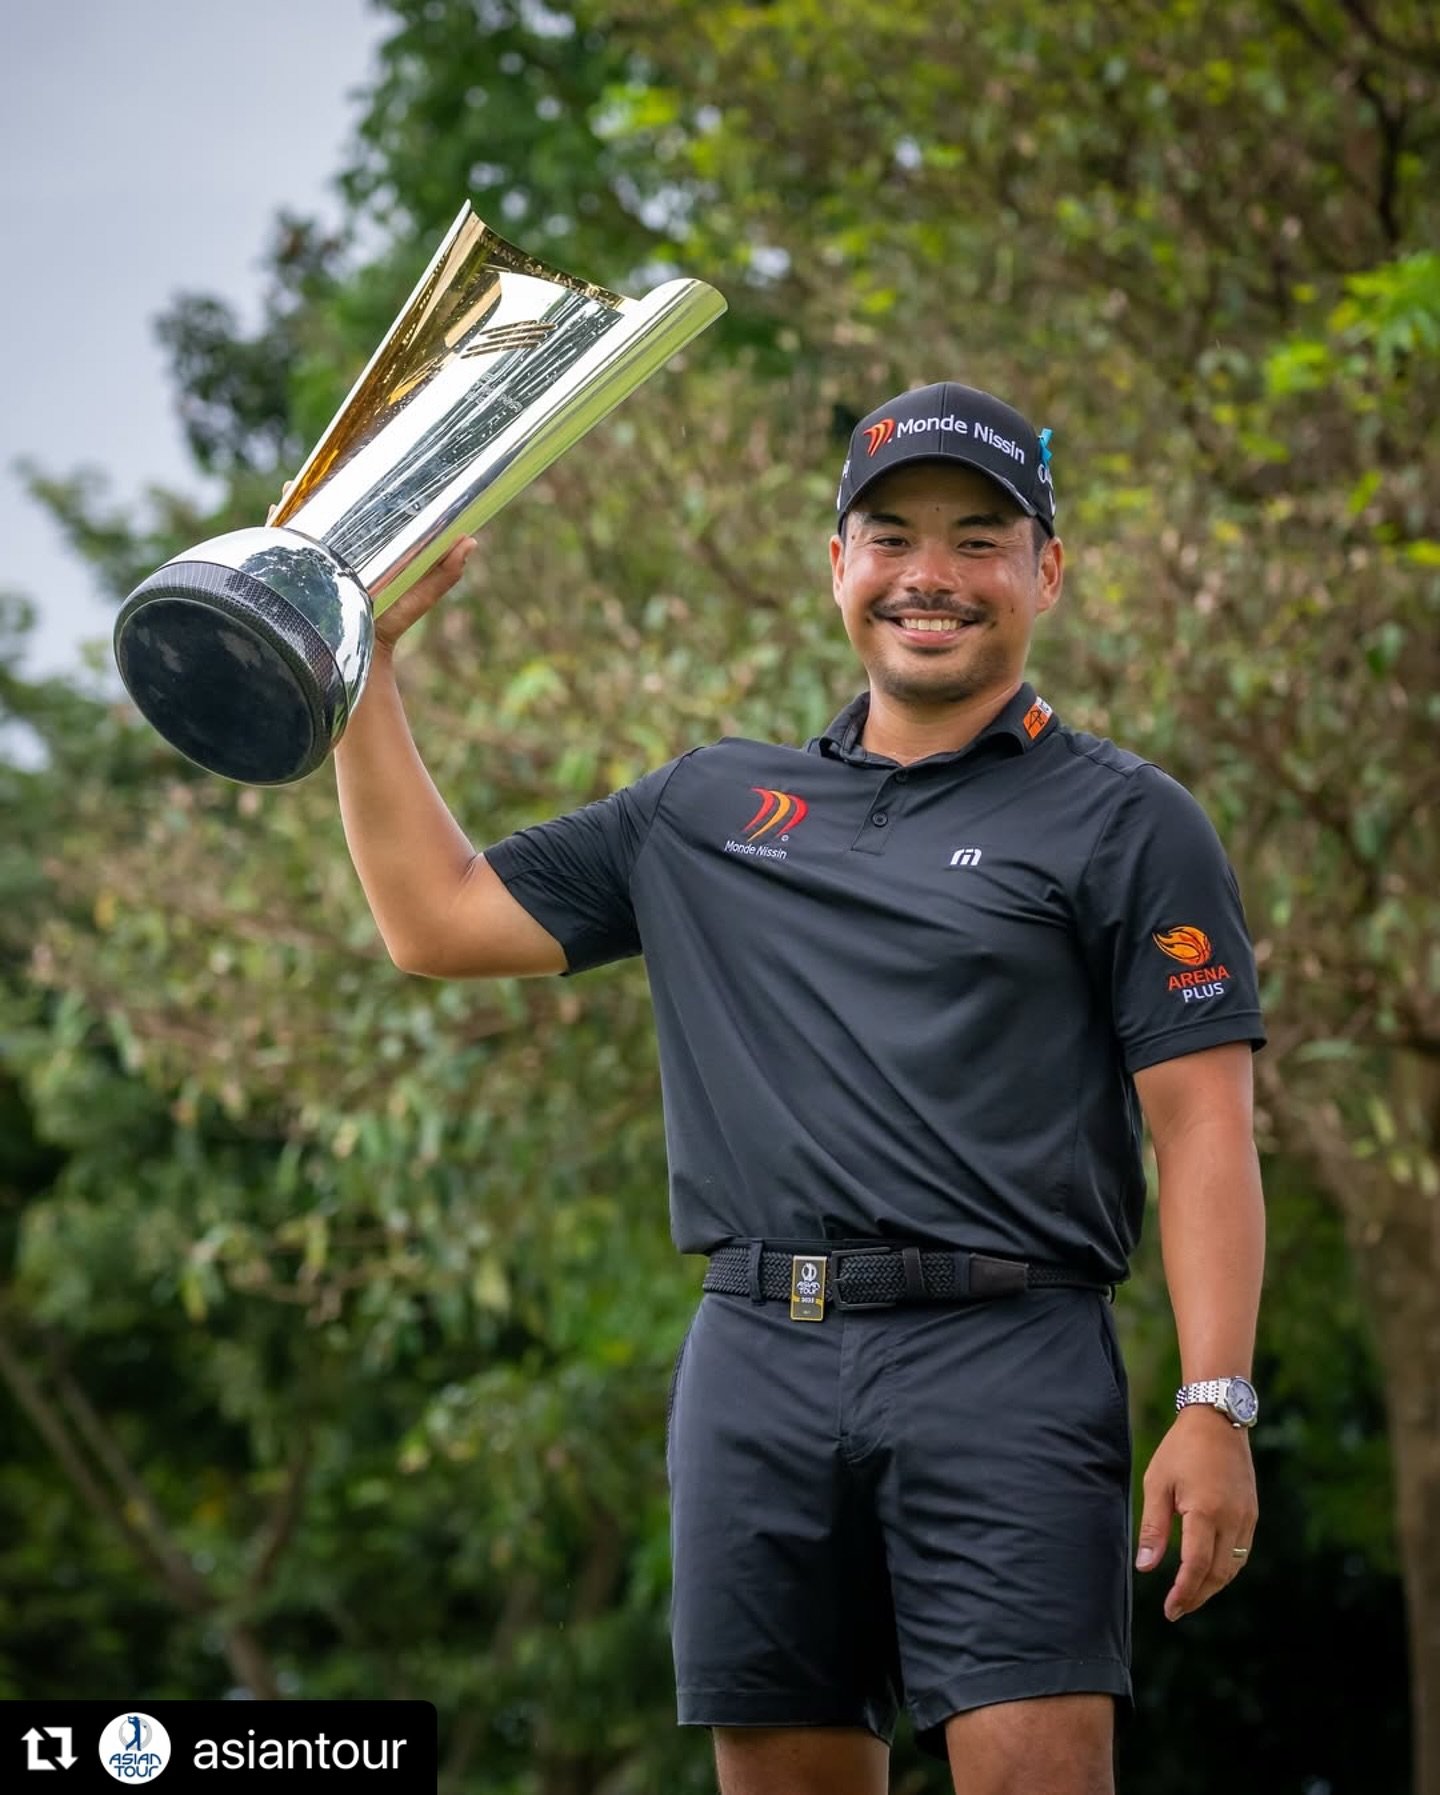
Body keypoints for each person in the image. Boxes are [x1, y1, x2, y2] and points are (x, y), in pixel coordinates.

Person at [323, 381, 1265, 1795]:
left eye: (979, 540)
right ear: (838, 564)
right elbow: (437, 921)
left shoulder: (1127, 820)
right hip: (756, 1357)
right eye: (889, 537)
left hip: (1007, 1360)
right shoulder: (705, 806)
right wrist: (358, 674)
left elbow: (1201, 1129)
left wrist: (1215, 1401)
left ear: (1045, 572)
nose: (928, 578)